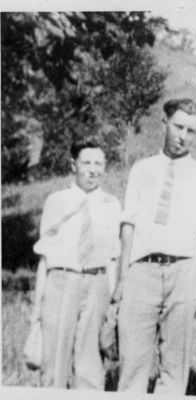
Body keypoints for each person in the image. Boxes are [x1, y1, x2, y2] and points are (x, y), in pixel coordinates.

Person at [112, 98, 196, 394]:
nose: (183, 136)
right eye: (178, 127)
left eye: (191, 131)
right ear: (165, 124)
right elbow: (128, 226)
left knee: (175, 366)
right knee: (133, 362)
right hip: (142, 271)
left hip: (184, 271)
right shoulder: (142, 170)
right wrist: (122, 278)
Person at [31, 137, 121, 389]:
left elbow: (113, 256)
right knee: (55, 359)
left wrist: (112, 299)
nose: (92, 169)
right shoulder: (56, 201)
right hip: (62, 281)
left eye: (98, 163)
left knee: (90, 361)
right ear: (73, 165)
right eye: (86, 163)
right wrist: (38, 307)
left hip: (97, 282)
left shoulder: (111, 204)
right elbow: (45, 256)